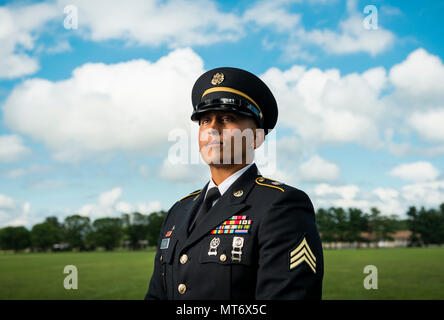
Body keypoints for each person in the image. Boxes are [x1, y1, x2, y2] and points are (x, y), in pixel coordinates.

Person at [145, 67, 323, 300]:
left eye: (228, 118)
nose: (212, 129)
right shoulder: (179, 211)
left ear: (257, 137)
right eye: (205, 120)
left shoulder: (281, 205)